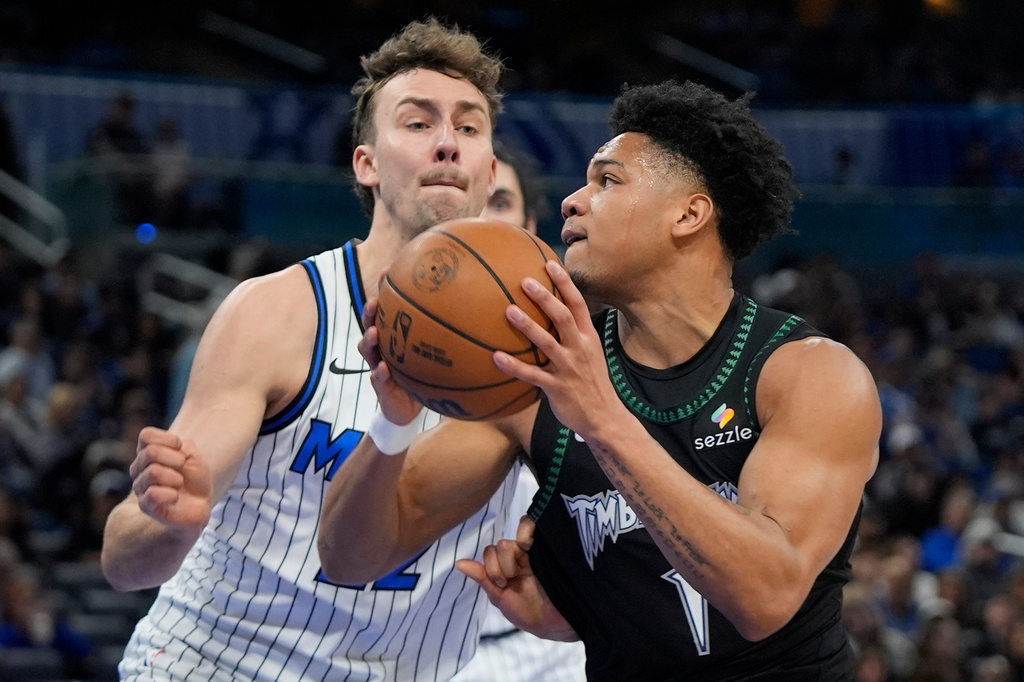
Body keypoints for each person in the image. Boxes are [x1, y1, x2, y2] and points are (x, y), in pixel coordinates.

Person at [319, 80, 882, 680]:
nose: (571, 202)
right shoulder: (537, 372)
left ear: (688, 215)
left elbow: (764, 597)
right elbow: (350, 558)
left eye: (607, 181)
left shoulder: (807, 374)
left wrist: (603, 420)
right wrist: (395, 421)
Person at [102, 18, 521, 680]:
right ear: (366, 163)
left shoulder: (537, 340)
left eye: (468, 128)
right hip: (215, 666)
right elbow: (123, 562)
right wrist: (171, 525)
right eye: (418, 123)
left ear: (490, 170)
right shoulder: (276, 314)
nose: (447, 143)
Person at [451, 138, 586, 682]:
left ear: (531, 228)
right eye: (467, 203)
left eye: (500, 202)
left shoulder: (588, 355)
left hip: (550, 647)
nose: (483, 219)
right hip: (405, 649)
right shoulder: (376, 355)